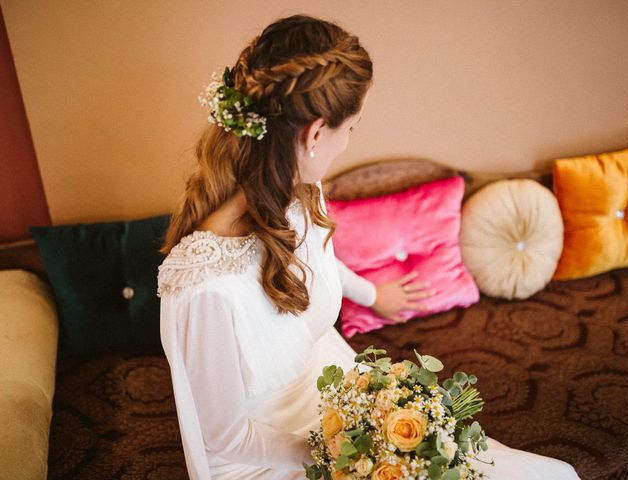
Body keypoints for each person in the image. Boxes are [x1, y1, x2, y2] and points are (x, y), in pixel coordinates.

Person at [156, 14, 581, 480]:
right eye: (352, 128)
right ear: (315, 133)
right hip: (268, 457)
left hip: (335, 395)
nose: (349, 141)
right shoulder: (205, 290)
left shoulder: (302, 194)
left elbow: (319, 264)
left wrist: (373, 296)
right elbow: (226, 438)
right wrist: (357, 449)